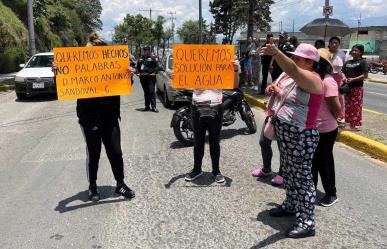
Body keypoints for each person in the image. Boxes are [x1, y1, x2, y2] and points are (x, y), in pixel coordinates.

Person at [53, 32, 136, 202]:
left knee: (116, 152)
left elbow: (125, 84)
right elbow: (65, 84)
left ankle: (120, 184)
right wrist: (58, 73)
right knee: (94, 153)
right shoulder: (81, 66)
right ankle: (92, 186)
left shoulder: (112, 65)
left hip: (110, 116)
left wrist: (129, 74)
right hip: (89, 118)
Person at [261, 42, 326, 238]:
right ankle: (290, 205)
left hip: (301, 136)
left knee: (303, 179)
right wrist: (275, 89)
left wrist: (277, 53)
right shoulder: (291, 76)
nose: (293, 61)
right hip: (286, 133)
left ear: (310, 62)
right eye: (294, 57)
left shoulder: (313, 80)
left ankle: (307, 222)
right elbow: (287, 90)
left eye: (297, 58)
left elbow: (292, 68)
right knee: (289, 173)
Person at [172, 60, 240, 183]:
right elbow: (179, 86)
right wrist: (175, 79)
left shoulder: (220, 71)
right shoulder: (194, 71)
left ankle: (216, 171)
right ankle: (197, 170)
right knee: (198, 141)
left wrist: (235, 69)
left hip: (216, 108)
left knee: (215, 141)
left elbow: (234, 85)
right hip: (197, 108)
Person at [311, 48, 341, 207]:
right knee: (312, 161)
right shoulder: (314, 78)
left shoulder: (328, 81)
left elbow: (335, 108)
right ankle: (311, 189)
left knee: (325, 161)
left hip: (326, 129)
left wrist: (331, 120)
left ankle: (331, 193)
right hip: (313, 128)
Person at [342, 44, 368, 131]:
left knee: (356, 107)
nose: (353, 52)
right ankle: (348, 123)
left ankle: (355, 124)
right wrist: (344, 78)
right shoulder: (347, 62)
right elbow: (342, 72)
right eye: (353, 50)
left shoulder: (363, 62)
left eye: (356, 50)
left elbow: (365, 75)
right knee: (347, 106)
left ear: (361, 52)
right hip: (347, 87)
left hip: (357, 88)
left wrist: (353, 79)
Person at [328, 36, 346, 126]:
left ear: (339, 44)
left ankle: (340, 116)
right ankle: (330, 114)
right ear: (329, 44)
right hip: (328, 77)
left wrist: (344, 76)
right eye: (332, 43)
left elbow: (343, 68)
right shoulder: (326, 53)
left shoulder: (342, 54)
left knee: (340, 98)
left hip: (338, 78)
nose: (334, 44)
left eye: (336, 43)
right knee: (329, 96)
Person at [136, 45, 159, 112]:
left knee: (151, 92)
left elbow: (157, 67)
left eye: (146, 50)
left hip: (151, 78)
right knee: (146, 92)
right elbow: (137, 68)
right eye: (144, 50)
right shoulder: (140, 59)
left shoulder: (153, 58)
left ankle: (153, 107)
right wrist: (137, 72)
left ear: (149, 51)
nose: (145, 51)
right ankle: (147, 106)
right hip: (143, 78)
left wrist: (155, 72)